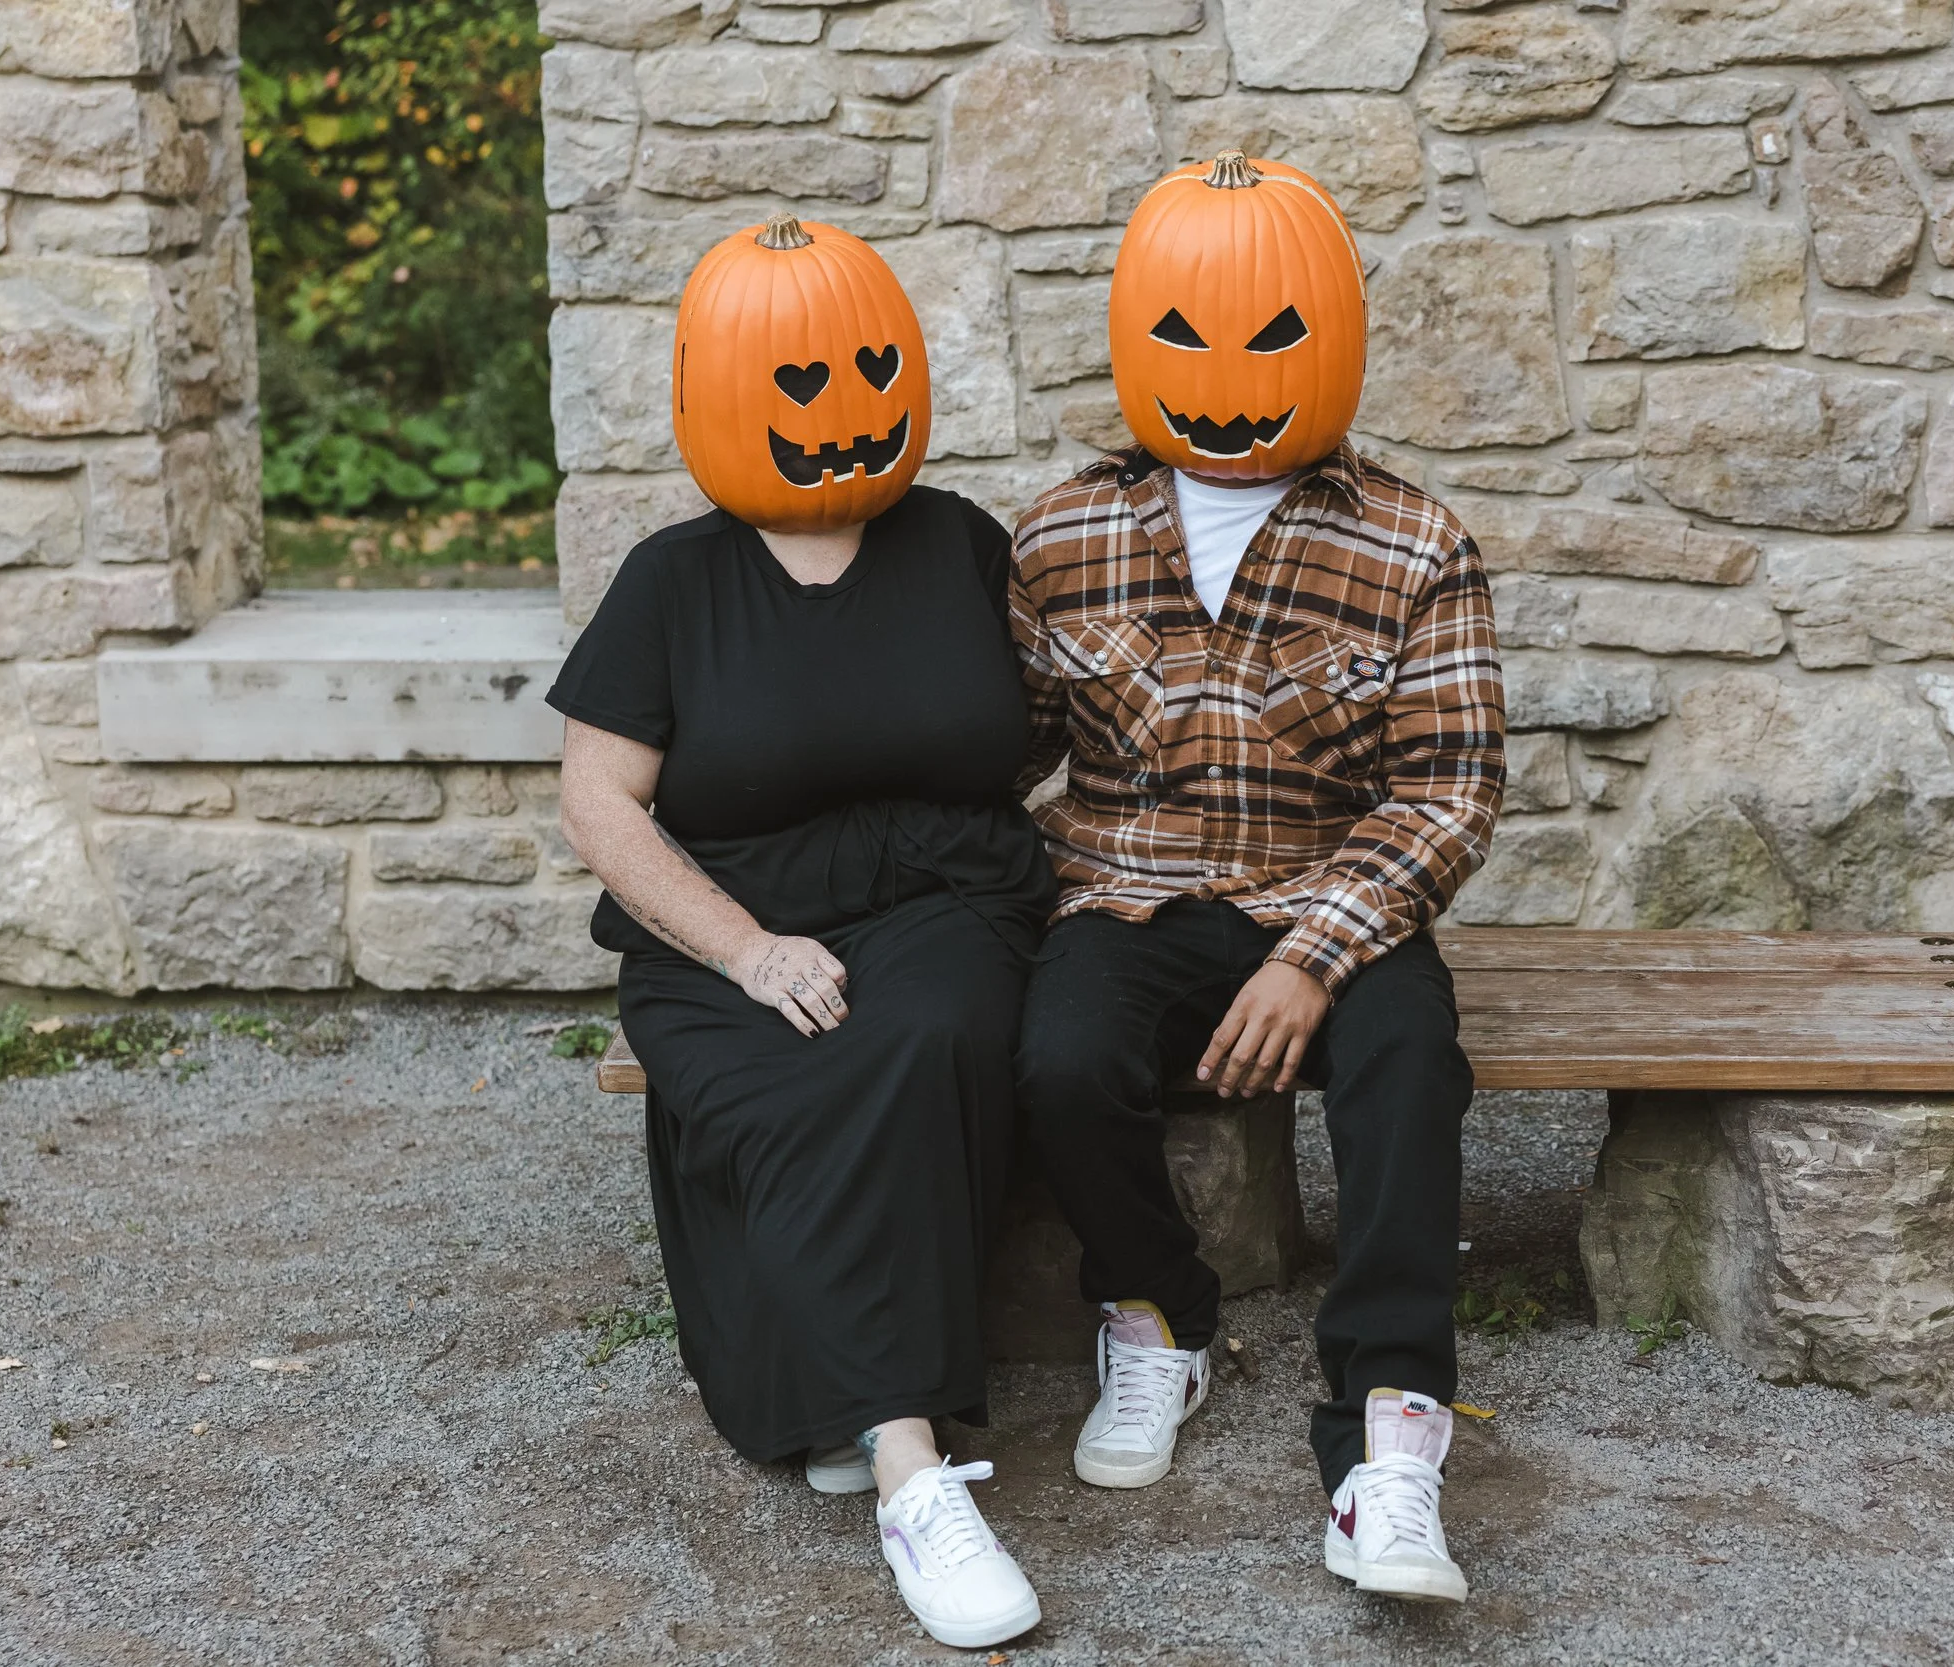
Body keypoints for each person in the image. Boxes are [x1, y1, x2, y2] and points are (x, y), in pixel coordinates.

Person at [550, 214, 1054, 1650]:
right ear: (711, 392)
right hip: (732, 920)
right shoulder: (671, 583)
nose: (838, 410)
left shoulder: (958, 542)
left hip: (945, 896)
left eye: (872, 367)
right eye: (792, 383)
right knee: (782, 1075)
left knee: (917, 1041)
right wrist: (745, 947)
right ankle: (906, 1455)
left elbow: (1067, 714)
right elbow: (601, 801)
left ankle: (891, 1459)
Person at [1008, 153, 1506, 1603]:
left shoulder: (1413, 541)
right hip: (1128, 887)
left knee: (1409, 1058)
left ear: (1332, 331)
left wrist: (1317, 950)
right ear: (1131, 335)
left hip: (1328, 888)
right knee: (1059, 1055)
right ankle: (1164, 1311)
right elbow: (1004, 753)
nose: (1228, 371)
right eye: (1186, 335)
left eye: (1273, 335)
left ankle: (1386, 1432)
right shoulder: (1059, 537)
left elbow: (1453, 783)